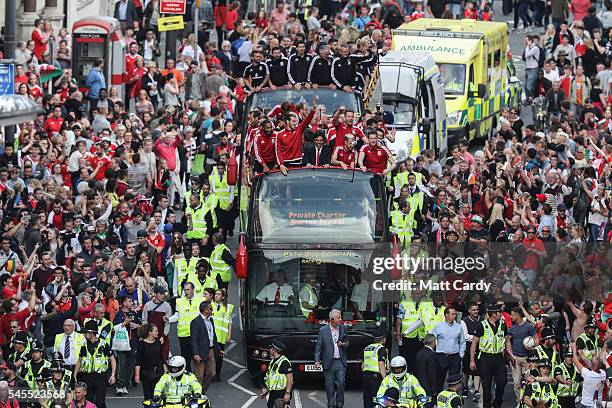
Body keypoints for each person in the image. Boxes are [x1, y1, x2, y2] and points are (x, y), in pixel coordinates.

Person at [469, 304, 516, 408]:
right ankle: (487, 406)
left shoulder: (502, 325)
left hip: (499, 357)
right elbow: (474, 343)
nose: (501, 314)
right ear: (493, 314)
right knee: (486, 385)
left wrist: (511, 356)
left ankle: (497, 403)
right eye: (499, 313)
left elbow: (507, 341)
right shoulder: (482, 325)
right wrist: (472, 361)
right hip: (485, 358)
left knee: (502, 382)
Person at [74, 320, 116, 408]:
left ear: (91, 333)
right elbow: (79, 360)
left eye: (85, 333)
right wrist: (75, 375)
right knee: (89, 402)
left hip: (101, 377)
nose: (84, 335)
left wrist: (113, 375)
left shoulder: (103, 344)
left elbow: (112, 359)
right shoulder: (84, 345)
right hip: (88, 377)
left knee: (100, 402)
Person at [314, 309, 349, 408]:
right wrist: (317, 361)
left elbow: (348, 342)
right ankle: (331, 404)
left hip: (340, 362)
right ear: (332, 319)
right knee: (329, 386)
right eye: (339, 318)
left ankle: (339, 404)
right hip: (328, 362)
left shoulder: (343, 328)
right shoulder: (323, 330)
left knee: (341, 383)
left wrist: (343, 344)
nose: (341, 319)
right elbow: (318, 347)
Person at [190, 300, 219, 393]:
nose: (212, 310)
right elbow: (193, 339)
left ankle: (202, 390)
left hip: (210, 350)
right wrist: (195, 354)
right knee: (199, 376)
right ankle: (197, 394)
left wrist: (218, 348)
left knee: (211, 373)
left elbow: (213, 336)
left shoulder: (211, 320)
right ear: (205, 310)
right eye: (210, 308)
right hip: (200, 352)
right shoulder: (195, 322)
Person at [173, 282, 201, 373]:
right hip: (184, 334)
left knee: (196, 356)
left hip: (196, 334)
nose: (186, 291)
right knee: (186, 357)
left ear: (193, 290)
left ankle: (197, 376)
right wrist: (168, 319)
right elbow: (176, 315)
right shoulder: (179, 301)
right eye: (185, 290)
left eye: (188, 289)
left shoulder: (200, 300)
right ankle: (188, 375)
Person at [432, 307, 465, 383]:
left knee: (454, 381)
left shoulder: (458, 327)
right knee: (439, 379)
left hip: (455, 357)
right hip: (441, 356)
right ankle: (438, 394)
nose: (455, 316)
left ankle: (453, 394)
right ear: (446, 315)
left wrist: (461, 355)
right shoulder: (438, 326)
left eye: (455, 314)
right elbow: (432, 340)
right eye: (452, 314)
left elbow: (462, 342)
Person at [134, 324, 165, 400]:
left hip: (158, 372)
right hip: (146, 374)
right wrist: (137, 375)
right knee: (148, 396)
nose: (158, 333)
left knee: (157, 395)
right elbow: (138, 361)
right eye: (156, 331)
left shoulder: (158, 342)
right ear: (150, 332)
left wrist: (166, 372)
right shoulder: (141, 344)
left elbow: (161, 358)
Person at [260, 339, 293, 408]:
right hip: (273, 392)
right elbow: (273, 379)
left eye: (270, 348)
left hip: (281, 393)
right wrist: (267, 391)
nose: (269, 350)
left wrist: (287, 393)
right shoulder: (273, 361)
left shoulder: (284, 362)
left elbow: (290, 378)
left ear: (274, 350)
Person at [362, 327, 388, 408]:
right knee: (377, 400)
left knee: (367, 400)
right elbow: (381, 364)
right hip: (376, 378)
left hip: (366, 377)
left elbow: (362, 365)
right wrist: (385, 379)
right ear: (383, 339)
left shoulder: (367, 348)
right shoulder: (381, 349)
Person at [415, 334, 440, 406]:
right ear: (433, 342)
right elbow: (432, 373)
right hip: (429, 387)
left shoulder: (419, 353)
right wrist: (434, 389)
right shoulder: (432, 355)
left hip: (420, 385)